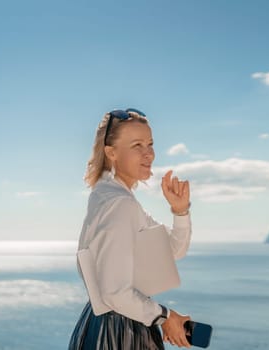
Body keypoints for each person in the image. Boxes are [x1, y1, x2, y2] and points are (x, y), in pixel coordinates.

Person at [69, 108, 193, 349]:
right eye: (137, 145)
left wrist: (180, 211)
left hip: (104, 325)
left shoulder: (108, 195)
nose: (149, 154)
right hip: (120, 332)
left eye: (150, 144)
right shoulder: (120, 204)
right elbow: (115, 293)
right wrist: (166, 317)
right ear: (111, 152)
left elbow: (171, 252)